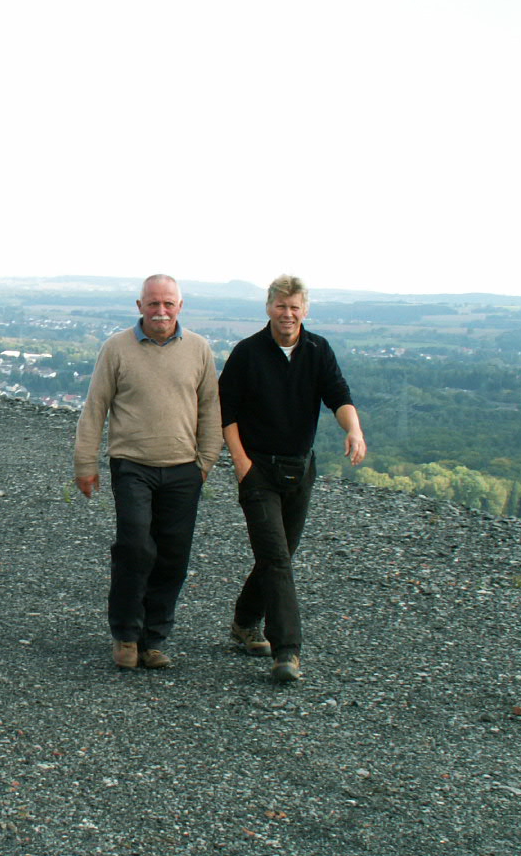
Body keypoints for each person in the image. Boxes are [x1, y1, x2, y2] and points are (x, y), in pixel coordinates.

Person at [217, 274, 366, 682]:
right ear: (269, 307)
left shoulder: (318, 350)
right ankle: (287, 651)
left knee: (278, 555)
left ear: (305, 310)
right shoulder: (247, 353)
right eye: (281, 306)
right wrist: (241, 464)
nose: (288, 314)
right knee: (277, 559)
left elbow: (338, 395)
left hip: (300, 469)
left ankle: (243, 622)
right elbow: (225, 411)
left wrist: (354, 430)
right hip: (258, 470)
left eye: (294, 307)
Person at [74, 274, 222, 670]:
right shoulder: (116, 348)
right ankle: (126, 634)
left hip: (183, 469)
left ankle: (153, 639)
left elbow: (210, 407)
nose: (161, 311)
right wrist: (85, 463)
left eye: (168, 303)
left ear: (180, 306)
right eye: (153, 303)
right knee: (135, 548)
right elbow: (95, 407)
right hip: (132, 465)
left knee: (173, 556)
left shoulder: (199, 349)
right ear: (139, 306)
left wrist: (205, 461)